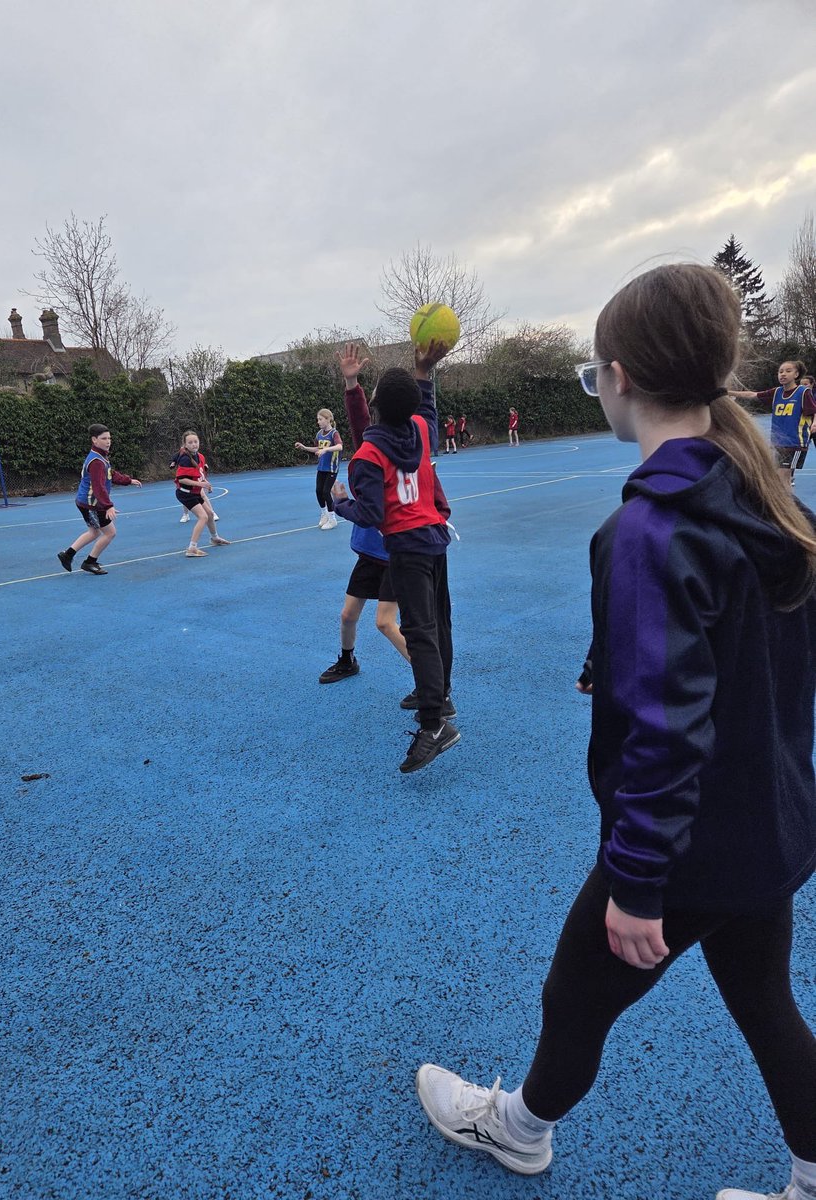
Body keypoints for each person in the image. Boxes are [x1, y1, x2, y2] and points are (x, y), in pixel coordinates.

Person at [415, 264, 816, 1200]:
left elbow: (666, 733)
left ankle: (517, 1130)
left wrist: (638, 885)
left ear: (622, 376)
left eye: (595, 377)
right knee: (764, 1001)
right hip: (769, 820)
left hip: (686, 849)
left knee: (573, 1000)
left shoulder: (647, 531)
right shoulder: (770, 501)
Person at [332, 340, 459, 772]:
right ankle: (440, 699)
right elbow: (426, 407)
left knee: (419, 632)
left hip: (406, 547)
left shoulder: (367, 457)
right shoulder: (422, 433)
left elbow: (370, 513)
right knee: (438, 627)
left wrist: (338, 503)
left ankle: (434, 723)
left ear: (376, 404)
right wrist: (424, 370)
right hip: (436, 541)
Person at [318, 343, 411, 684]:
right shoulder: (374, 442)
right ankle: (348, 661)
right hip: (372, 552)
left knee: (385, 622)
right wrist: (351, 384)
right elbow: (359, 424)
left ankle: (434, 687)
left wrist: (341, 504)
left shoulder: (398, 448)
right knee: (347, 615)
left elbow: (371, 512)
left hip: (395, 553)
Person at [57, 423, 141, 575]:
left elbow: (110, 473)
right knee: (110, 533)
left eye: (109, 438)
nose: (108, 441)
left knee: (94, 532)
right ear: (94, 440)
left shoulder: (101, 457)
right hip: (92, 504)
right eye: (104, 438)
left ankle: (67, 555)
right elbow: (98, 486)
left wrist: (128, 480)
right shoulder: (96, 461)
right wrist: (108, 506)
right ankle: (90, 562)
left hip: (87, 502)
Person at [730, 360, 815, 488]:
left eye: (788, 371)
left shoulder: (803, 392)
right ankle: (788, 505)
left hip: (794, 442)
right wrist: (729, 393)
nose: (783, 374)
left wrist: (814, 424)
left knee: (782, 477)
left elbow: (814, 410)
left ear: (796, 374)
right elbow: (753, 395)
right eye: (780, 371)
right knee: (782, 479)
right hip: (777, 442)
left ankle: (785, 506)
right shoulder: (776, 392)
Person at [174, 430, 230, 557]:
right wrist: (201, 485)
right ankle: (192, 548)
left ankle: (214, 538)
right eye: (190, 442)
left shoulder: (200, 457)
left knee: (210, 513)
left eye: (196, 441)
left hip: (195, 492)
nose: (194, 444)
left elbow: (200, 475)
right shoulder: (184, 459)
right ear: (185, 445)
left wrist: (206, 483)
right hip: (185, 493)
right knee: (203, 517)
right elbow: (182, 479)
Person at [295, 410, 342, 529]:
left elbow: (339, 446)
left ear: (328, 419)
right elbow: (318, 448)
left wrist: (326, 450)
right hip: (321, 467)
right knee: (318, 491)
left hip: (331, 468)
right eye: (318, 419)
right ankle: (324, 514)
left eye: (320, 419)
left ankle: (332, 518)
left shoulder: (334, 433)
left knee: (326, 491)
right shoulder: (319, 434)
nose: (318, 422)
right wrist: (304, 447)